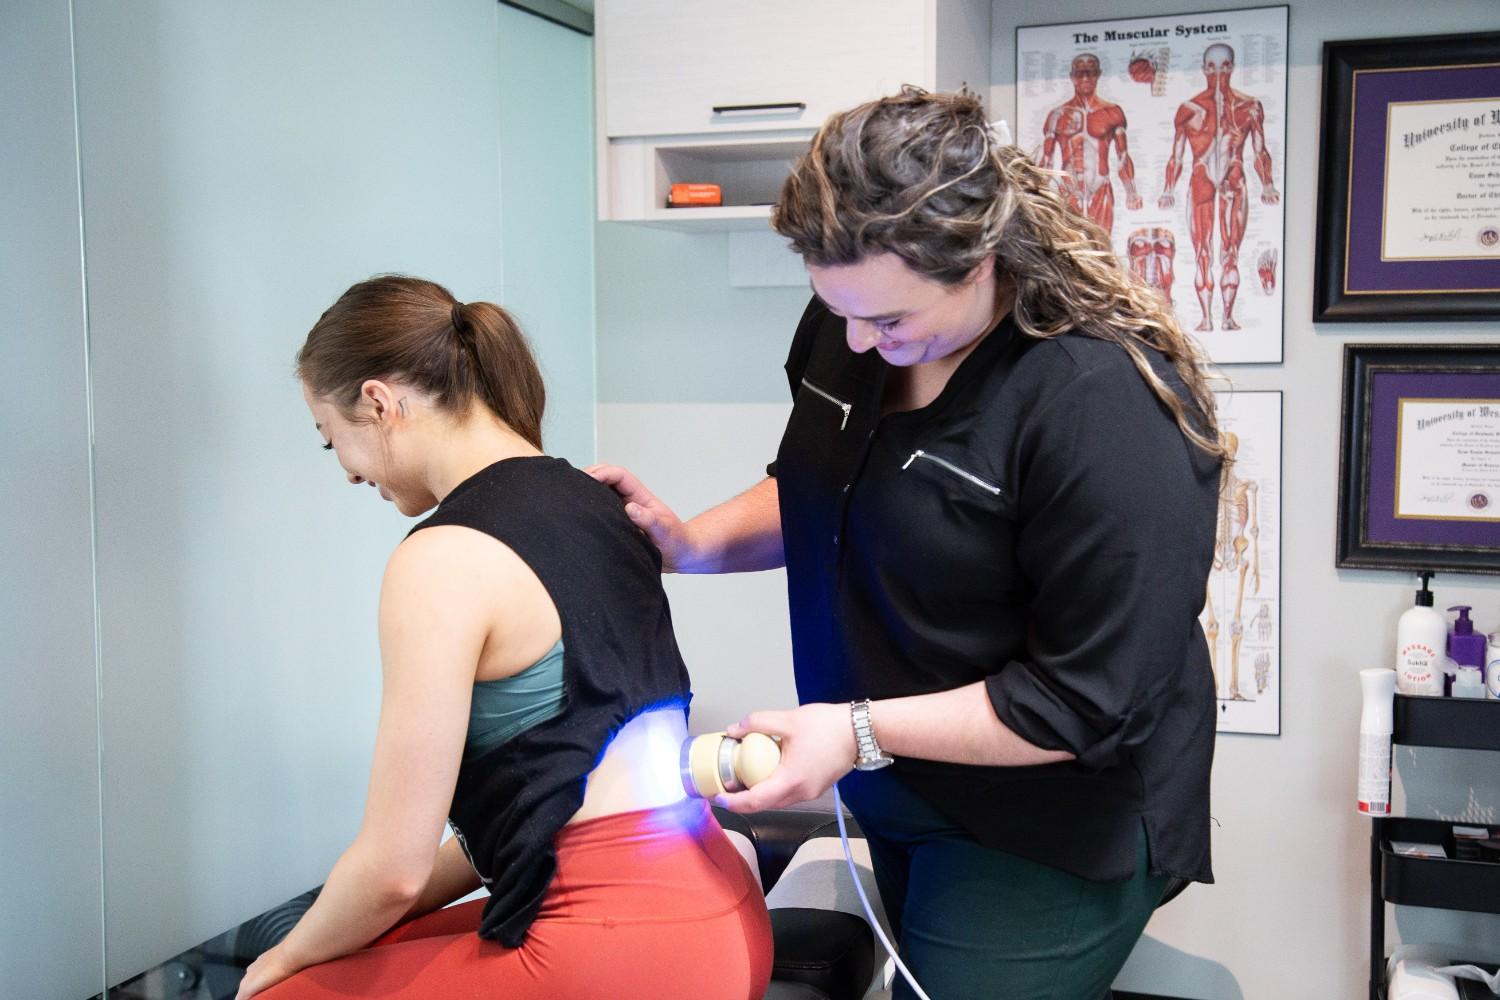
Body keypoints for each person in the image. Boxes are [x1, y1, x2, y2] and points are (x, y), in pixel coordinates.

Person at [589, 87, 1225, 1000]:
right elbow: (824, 489)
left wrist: (851, 732)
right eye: (837, 311)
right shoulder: (854, 324)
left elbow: (1079, 703)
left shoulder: (1100, 401)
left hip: (1049, 817)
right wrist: (691, 545)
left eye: (887, 320)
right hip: (898, 780)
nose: (854, 339)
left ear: (981, 262)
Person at [235, 276, 772, 1000]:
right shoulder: (597, 498)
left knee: (283, 993)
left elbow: (393, 868)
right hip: (721, 907)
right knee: (356, 945)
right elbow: (536, 804)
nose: (346, 471)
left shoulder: (441, 556)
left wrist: (277, 966)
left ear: (379, 403)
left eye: (333, 440)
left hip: (626, 948)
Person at [1158, 43, 1280, 332]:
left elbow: (1259, 149)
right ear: (1203, 69)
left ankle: (1226, 317)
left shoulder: (1249, 107)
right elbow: (1177, 154)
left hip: (1233, 177)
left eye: (1224, 66)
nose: (1218, 73)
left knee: (1230, 252)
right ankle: (1206, 318)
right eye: (1212, 66)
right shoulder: (1188, 110)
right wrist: (1168, 189)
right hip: (1201, 176)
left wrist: (1268, 184)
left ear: (1232, 68)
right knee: (1203, 252)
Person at [1037, 53, 1143, 236]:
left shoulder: (1112, 112)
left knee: (1102, 251)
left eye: (1091, 73)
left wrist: (1131, 192)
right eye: (1080, 73)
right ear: (1072, 77)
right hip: (1069, 190)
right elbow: (1046, 160)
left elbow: (1123, 155)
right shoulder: (1057, 115)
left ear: (1098, 75)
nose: (1085, 78)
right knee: (1070, 252)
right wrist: (1037, 196)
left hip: (1100, 187)